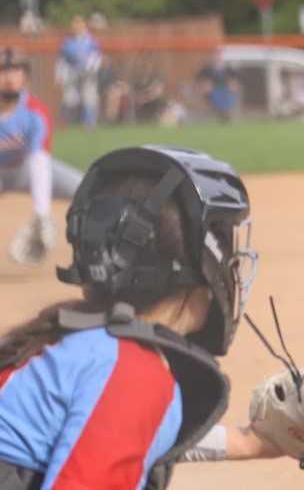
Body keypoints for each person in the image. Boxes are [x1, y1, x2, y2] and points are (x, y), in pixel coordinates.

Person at [0, 145, 279, 488]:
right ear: (202, 266)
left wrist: (246, 442)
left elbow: (108, 428)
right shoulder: (134, 372)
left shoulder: (73, 342)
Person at [0, 47, 84, 265]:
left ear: (25, 76)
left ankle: (41, 218)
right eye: (3, 70)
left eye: (15, 70)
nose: (9, 77)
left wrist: (41, 209)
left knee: (85, 187)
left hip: (27, 170)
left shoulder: (35, 109)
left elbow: (40, 156)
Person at [56, 15, 102, 128]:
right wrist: (59, 75)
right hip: (72, 72)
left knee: (89, 97)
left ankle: (89, 124)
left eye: (79, 23)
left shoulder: (92, 41)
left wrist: (91, 68)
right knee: (70, 99)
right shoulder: (67, 42)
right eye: (75, 24)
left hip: (88, 73)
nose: (77, 26)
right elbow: (61, 60)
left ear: (84, 25)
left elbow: (97, 56)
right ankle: (65, 122)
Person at [196, 52, 240, 122]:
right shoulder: (207, 69)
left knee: (229, 97)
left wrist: (233, 84)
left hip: (226, 90)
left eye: (219, 57)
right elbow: (199, 78)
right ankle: (223, 114)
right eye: (216, 57)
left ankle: (224, 114)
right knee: (216, 97)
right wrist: (205, 84)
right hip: (213, 89)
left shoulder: (228, 68)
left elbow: (235, 78)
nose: (217, 58)